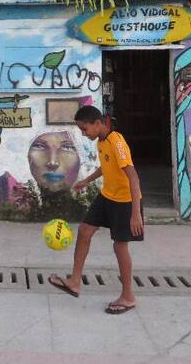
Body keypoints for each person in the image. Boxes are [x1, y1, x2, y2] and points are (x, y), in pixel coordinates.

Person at [48, 105, 143, 315]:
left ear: (98, 123)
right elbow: (106, 167)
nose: (84, 133)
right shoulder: (101, 141)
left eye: (85, 129)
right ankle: (74, 282)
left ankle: (128, 297)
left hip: (125, 201)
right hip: (107, 195)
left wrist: (136, 213)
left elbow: (133, 177)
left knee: (120, 247)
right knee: (84, 231)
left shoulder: (117, 142)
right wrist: (86, 181)